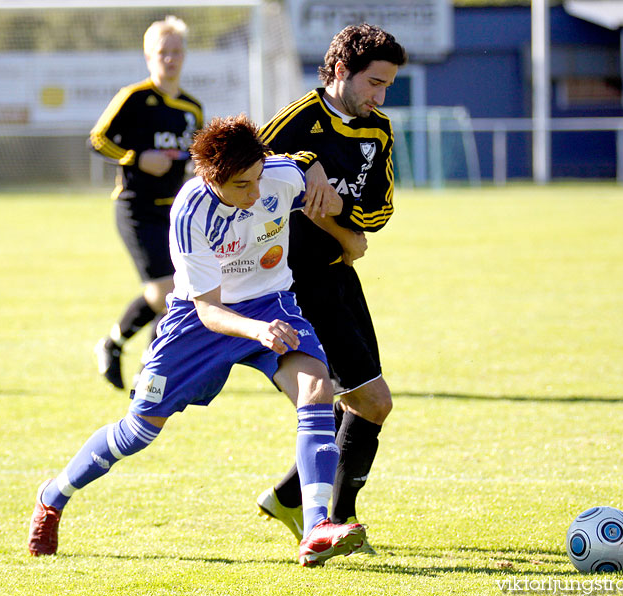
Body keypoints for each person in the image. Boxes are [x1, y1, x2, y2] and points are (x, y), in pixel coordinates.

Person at [27, 114, 366, 567]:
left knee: (316, 386)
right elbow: (208, 310)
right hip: (198, 322)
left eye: (257, 179)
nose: (255, 193)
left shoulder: (274, 176)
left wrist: (343, 229)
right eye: (242, 186)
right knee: (137, 431)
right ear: (211, 179)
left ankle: (317, 527)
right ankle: (53, 496)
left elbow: (305, 178)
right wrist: (258, 332)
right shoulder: (189, 211)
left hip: (271, 302)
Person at [255, 23, 407, 552]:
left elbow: (381, 211)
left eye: (387, 85)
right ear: (341, 71)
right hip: (293, 285)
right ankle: (336, 520)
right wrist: (306, 164)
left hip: (339, 271)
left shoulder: (379, 130)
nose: (379, 96)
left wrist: (341, 215)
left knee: (361, 401)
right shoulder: (298, 120)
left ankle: (290, 497)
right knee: (372, 402)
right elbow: (248, 164)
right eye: (373, 83)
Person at [90, 15, 204, 390]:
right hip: (135, 207)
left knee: (177, 291)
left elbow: (195, 156)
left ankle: (115, 346)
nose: (169, 59)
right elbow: (98, 139)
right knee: (166, 293)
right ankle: (147, 370)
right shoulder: (133, 98)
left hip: (175, 211)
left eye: (176, 51)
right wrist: (137, 158)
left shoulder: (192, 108)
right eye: (162, 52)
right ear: (148, 56)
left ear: (185, 55)